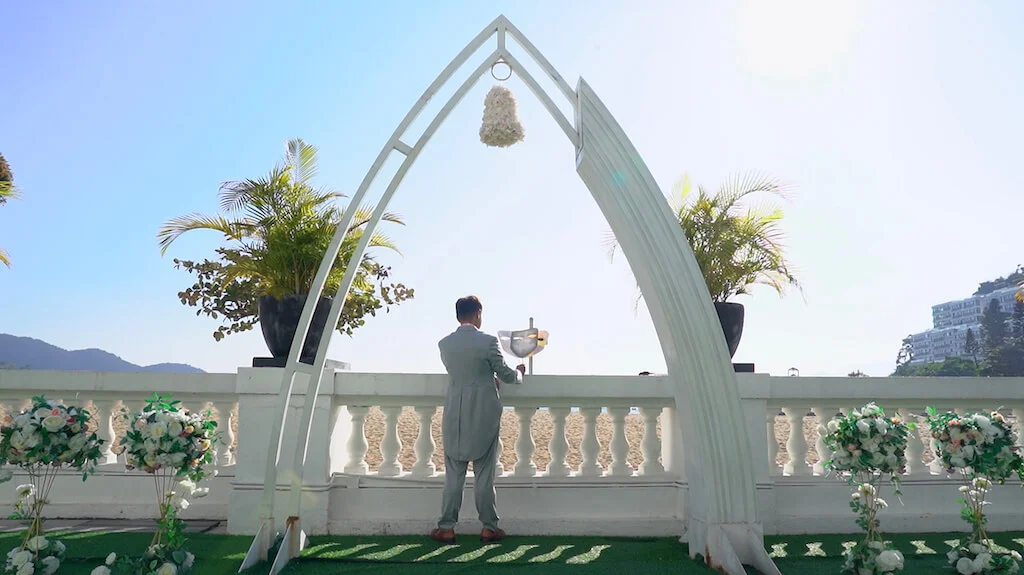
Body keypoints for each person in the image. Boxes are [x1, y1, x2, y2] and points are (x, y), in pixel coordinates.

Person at [430, 296, 526, 544]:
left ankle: (446, 527)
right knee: (484, 474)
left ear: (457, 315)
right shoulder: (488, 342)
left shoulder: (445, 344)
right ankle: (489, 527)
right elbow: (505, 374)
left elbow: (464, 373)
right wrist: (519, 374)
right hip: (483, 413)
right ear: (478, 313)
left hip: (455, 412)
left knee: (454, 474)